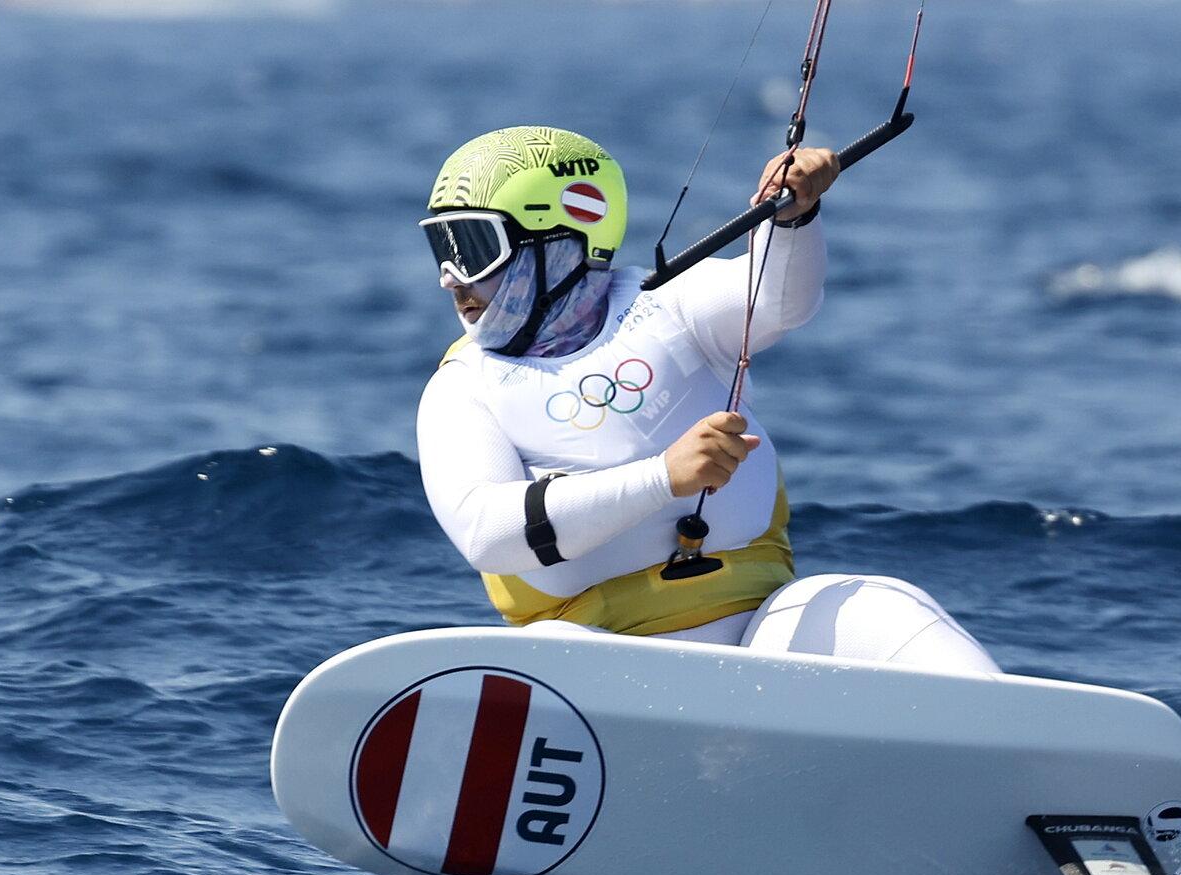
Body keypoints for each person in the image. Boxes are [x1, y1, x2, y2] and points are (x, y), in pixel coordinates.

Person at [416, 126, 999, 675]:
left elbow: (778, 301)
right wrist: (661, 477)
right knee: (550, 648)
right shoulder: (462, 387)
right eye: (440, 247)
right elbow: (487, 533)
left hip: (766, 638)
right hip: (599, 657)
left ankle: (1022, 747)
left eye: (471, 247)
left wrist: (792, 216)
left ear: (559, 239)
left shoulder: (668, 302)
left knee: (878, 602)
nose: (450, 278)